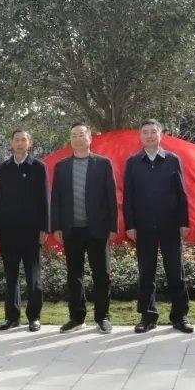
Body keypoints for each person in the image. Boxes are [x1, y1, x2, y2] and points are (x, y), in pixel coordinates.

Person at [123, 118, 192, 334]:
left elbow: (181, 193)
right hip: (143, 227)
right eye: (145, 132)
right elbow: (128, 197)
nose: (150, 135)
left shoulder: (172, 160)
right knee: (146, 272)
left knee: (175, 272)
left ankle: (179, 316)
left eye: (154, 131)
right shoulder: (133, 162)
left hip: (171, 225)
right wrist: (130, 224)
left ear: (161, 135)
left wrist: (184, 222)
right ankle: (148, 316)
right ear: (140, 136)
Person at [51, 122, 117, 334]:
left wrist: (113, 226)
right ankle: (77, 317)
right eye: (74, 135)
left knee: (102, 275)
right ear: (70, 139)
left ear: (89, 138)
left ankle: (102, 317)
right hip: (72, 229)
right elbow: (56, 199)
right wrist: (57, 226)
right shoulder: (61, 166)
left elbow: (111, 198)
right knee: (74, 276)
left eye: (82, 134)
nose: (78, 138)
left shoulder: (103, 164)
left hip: (97, 229)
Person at [0, 130, 49, 332]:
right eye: (16, 139)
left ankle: (34, 317)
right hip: (7, 231)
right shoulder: (4, 168)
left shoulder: (38, 167)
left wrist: (44, 227)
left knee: (33, 276)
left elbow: (44, 199)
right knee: (11, 276)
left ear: (29, 143)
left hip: (32, 231)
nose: (20, 143)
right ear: (11, 143)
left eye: (24, 140)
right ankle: (12, 317)